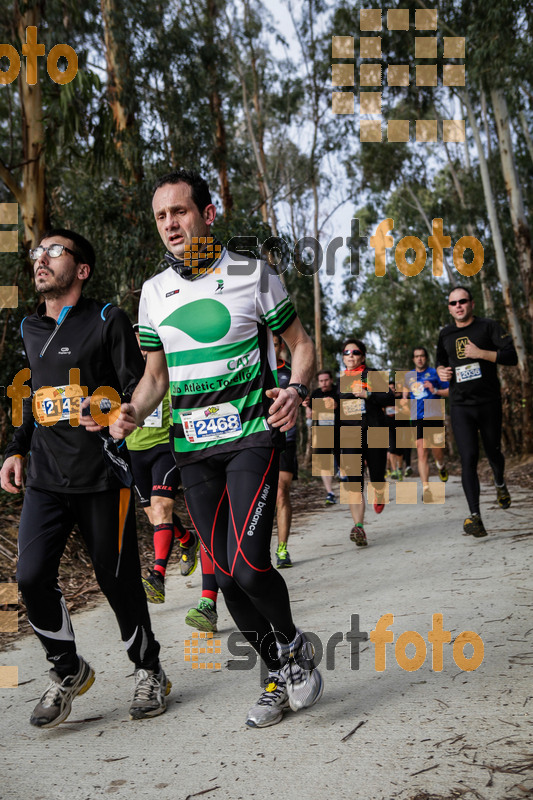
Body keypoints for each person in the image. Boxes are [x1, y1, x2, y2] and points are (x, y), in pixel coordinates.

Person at [94, 169, 323, 728]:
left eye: (180, 211)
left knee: (248, 566)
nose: (170, 224)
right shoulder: (153, 293)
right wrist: (132, 412)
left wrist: (294, 389)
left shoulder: (253, 274)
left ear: (207, 214)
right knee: (221, 571)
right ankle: (276, 674)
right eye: (162, 217)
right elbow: (155, 377)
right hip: (193, 451)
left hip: (251, 437)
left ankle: (293, 646)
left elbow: (303, 345)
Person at [0, 229, 169, 728]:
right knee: (29, 578)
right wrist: (15, 450)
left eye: (54, 252)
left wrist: (120, 410)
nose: (41, 260)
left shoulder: (107, 319)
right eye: (37, 253)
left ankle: (150, 670)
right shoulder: (31, 327)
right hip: (47, 480)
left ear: (82, 269)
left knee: (116, 582)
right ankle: (68, 670)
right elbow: (31, 399)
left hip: (102, 475)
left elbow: (139, 382)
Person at [436, 286, 518, 537]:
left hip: (489, 402)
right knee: (468, 458)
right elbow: (441, 360)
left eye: (462, 301)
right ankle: (475, 517)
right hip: (460, 405)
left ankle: (500, 481)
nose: (458, 306)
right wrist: (442, 371)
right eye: (453, 303)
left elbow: (511, 356)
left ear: (472, 304)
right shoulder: (446, 334)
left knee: (493, 451)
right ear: (449, 308)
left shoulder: (488, 326)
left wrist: (480, 353)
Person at [127, 326, 200, 604]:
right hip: (135, 450)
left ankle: (157, 576)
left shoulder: (165, 368)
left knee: (162, 507)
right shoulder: (123, 372)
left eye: (143, 342)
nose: (141, 348)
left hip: (165, 447)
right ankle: (187, 539)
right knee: (155, 516)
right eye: (135, 344)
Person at [338, 339, 393, 547]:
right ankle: (358, 526)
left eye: (355, 352)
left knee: (377, 475)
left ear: (362, 356)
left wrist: (368, 394)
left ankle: (379, 491)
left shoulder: (371, 374)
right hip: (350, 434)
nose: (350, 356)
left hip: (375, 431)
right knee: (354, 484)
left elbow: (389, 397)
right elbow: (336, 410)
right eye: (346, 353)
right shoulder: (341, 379)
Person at [403, 346, 449, 503]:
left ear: (426, 358)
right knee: (422, 452)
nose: (419, 359)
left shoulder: (435, 373)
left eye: (422, 356)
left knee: (437, 451)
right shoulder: (408, 376)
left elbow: (448, 392)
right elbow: (405, 392)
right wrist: (404, 399)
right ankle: (426, 489)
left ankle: (441, 466)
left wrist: (435, 390)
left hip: (434, 415)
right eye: (416, 356)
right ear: (413, 359)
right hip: (417, 418)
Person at [272, 332, 297, 568]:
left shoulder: (289, 374)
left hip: (285, 439)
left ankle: (282, 549)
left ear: (281, 347)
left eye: (275, 343)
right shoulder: (249, 372)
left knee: (281, 492)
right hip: (255, 441)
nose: (271, 346)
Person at [305, 370, 339, 505]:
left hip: (340, 431)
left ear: (331, 380)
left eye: (326, 380)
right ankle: (330, 492)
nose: (323, 383)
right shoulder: (316, 394)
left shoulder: (338, 391)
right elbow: (309, 413)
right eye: (321, 381)